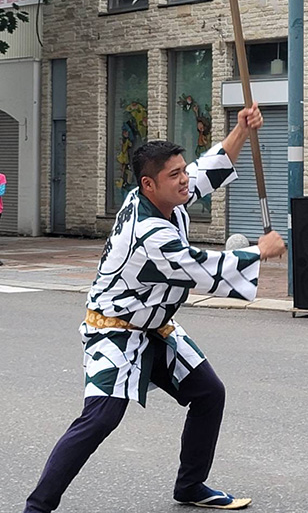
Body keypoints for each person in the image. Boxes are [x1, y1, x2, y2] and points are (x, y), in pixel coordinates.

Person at [23, 103, 286, 512]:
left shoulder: (161, 194)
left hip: (155, 327)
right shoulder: (148, 233)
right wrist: (259, 251)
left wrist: (240, 130)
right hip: (116, 330)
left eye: (183, 171)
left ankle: (190, 485)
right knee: (101, 418)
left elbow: (209, 168)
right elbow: (203, 271)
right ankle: (37, 507)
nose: (184, 181)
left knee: (208, 392)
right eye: (175, 175)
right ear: (149, 184)